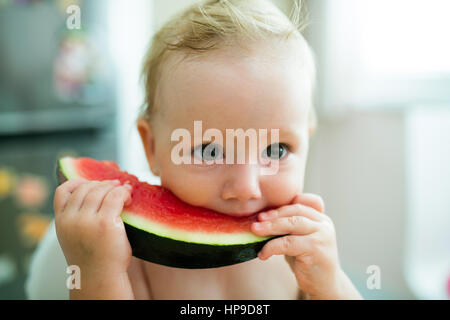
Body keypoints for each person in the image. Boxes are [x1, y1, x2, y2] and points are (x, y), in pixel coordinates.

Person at [51, 0, 363, 299]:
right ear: (152, 146)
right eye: (209, 151)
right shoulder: (133, 255)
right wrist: (96, 270)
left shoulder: (303, 252)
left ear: (307, 140)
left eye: (276, 150)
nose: (245, 188)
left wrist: (331, 284)